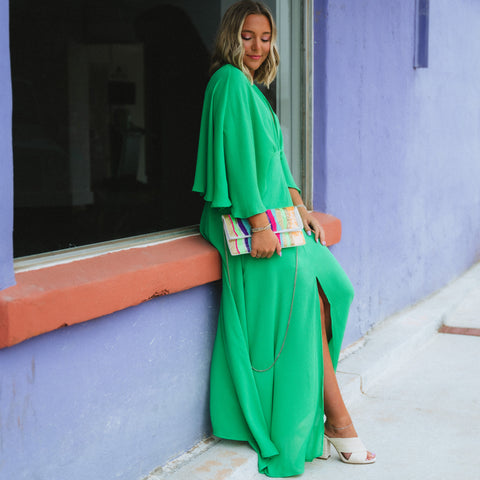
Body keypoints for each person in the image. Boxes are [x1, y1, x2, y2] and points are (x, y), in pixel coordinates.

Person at [193, 1, 375, 477]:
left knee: (335, 289)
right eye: (248, 36)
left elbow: (274, 158)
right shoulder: (229, 81)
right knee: (303, 311)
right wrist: (258, 223)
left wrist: (299, 205)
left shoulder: (254, 87)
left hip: (277, 215)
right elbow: (236, 156)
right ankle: (337, 421)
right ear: (232, 37)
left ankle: (323, 414)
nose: (257, 46)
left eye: (266, 37)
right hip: (250, 220)